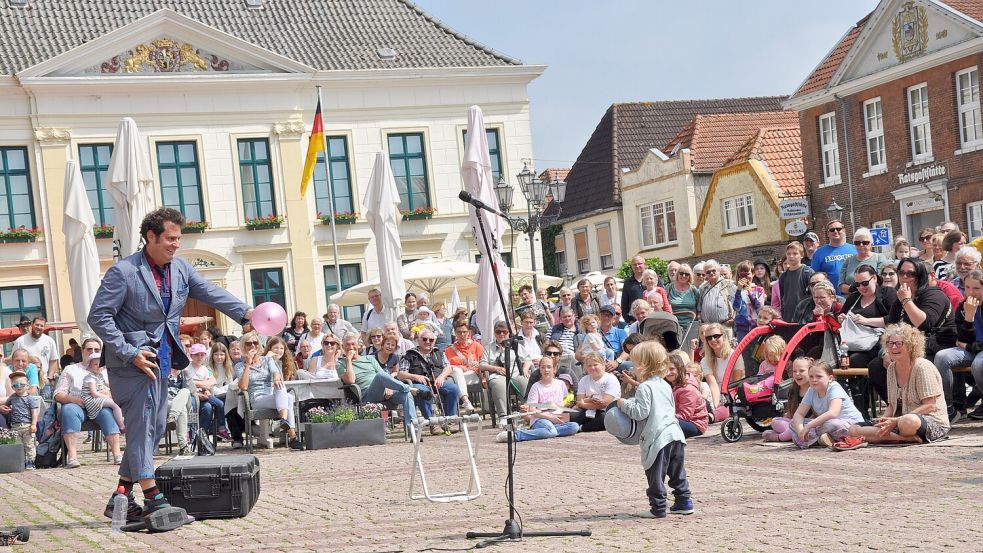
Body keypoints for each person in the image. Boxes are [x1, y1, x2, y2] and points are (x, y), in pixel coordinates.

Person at [88, 207, 252, 525]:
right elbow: (99, 316)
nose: (176, 244)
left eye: (179, 238)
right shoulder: (123, 272)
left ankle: (120, 496)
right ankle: (153, 499)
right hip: (132, 364)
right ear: (151, 236)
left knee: (153, 426)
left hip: (162, 361)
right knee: (142, 427)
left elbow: (210, 292)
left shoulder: (180, 269)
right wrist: (128, 350)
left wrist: (244, 313)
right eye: (170, 238)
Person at [868, 258, 957, 417]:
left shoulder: (934, 295)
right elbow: (891, 329)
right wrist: (887, 353)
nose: (905, 277)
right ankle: (898, 411)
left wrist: (907, 300)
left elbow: (924, 324)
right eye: (902, 273)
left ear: (921, 275)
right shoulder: (899, 298)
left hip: (937, 345)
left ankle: (939, 410)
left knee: (914, 362)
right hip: (907, 347)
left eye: (911, 274)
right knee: (877, 365)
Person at [841, 324, 950, 449]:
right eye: (890, 343)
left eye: (899, 343)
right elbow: (892, 405)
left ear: (910, 346)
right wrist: (884, 421)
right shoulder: (891, 368)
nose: (893, 347)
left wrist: (896, 421)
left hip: (929, 422)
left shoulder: (922, 367)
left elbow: (930, 405)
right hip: (899, 421)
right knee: (853, 429)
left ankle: (886, 438)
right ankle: (905, 439)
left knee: (908, 421)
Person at [616, 341, 693, 519]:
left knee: (655, 474)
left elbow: (640, 412)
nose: (633, 367)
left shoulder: (644, 387)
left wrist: (624, 404)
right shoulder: (665, 384)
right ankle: (684, 502)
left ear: (643, 365)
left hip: (658, 438)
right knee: (677, 471)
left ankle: (657, 507)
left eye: (635, 363)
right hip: (675, 434)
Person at [338, 332, 424, 432]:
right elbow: (350, 380)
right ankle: (410, 388)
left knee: (407, 395)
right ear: (343, 347)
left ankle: (413, 429)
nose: (351, 347)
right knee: (380, 377)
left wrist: (389, 388)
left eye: (353, 344)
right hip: (368, 395)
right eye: (347, 345)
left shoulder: (369, 358)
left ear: (358, 345)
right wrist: (348, 360)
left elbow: (384, 376)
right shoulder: (340, 363)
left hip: (385, 391)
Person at [934, 270, 983, 419]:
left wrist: (969, 347)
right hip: (972, 349)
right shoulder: (963, 306)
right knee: (942, 357)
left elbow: (965, 344)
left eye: (976, 288)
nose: (970, 292)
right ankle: (948, 408)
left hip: (976, 350)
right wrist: (969, 318)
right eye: (967, 287)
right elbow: (961, 338)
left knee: (978, 364)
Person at [498, 354, 579, 443]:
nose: (546, 370)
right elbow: (532, 410)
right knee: (552, 431)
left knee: (574, 426)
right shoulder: (536, 387)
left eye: (549, 367)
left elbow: (561, 402)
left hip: (557, 419)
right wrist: (550, 417)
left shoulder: (561, 384)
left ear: (554, 369)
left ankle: (544, 432)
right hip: (540, 419)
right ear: (539, 369)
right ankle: (517, 435)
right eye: (543, 367)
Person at [790, 361, 866, 448]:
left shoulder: (834, 387)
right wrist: (801, 431)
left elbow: (833, 413)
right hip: (824, 426)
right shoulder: (811, 390)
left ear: (830, 378)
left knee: (831, 424)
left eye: (819, 376)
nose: (814, 380)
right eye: (811, 376)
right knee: (793, 423)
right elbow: (799, 414)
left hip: (849, 424)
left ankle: (815, 440)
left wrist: (809, 426)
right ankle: (821, 439)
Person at [396, 330, 459, 434]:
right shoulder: (410, 355)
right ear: (418, 340)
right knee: (422, 391)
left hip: (438, 381)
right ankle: (432, 423)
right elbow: (401, 374)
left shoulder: (439, 352)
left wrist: (442, 376)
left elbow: (449, 367)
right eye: (424, 339)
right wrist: (415, 376)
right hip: (420, 384)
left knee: (453, 389)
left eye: (431, 340)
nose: (428, 342)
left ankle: (450, 420)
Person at [838, 265, 896, 369]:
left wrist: (867, 321)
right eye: (857, 284)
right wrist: (840, 319)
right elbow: (840, 318)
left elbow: (894, 319)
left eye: (865, 283)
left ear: (874, 278)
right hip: (850, 343)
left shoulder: (887, 293)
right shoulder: (853, 297)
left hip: (876, 344)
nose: (861, 287)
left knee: (853, 361)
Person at [480, 321, 531, 418]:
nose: (501, 334)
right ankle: (503, 416)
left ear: (508, 332)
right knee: (498, 385)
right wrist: (495, 368)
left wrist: (525, 369)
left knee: (526, 382)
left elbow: (528, 359)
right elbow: (482, 364)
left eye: (504, 332)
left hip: (516, 373)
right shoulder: (489, 348)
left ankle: (529, 412)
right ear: (495, 333)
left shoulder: (516, 345)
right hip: (498, 375)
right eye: (498, 332)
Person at [700, 322, 743, 422]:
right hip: (716, 396)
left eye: (716, 336)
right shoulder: (705, 361)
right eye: (709, 338)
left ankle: (712, 416)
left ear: (724, 336)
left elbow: (737, 382)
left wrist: (726, 402)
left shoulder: (735, 355)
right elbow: (713, 384)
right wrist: (716, 404)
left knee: (726, 407)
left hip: (733, 394)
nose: (713, 340)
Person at [762, 356, 812, 442]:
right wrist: (784, 419)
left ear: (810, 372)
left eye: (801, 371)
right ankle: (788, 433)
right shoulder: (793, 390)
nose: (797, 374)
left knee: (792, 427)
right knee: (775, 421)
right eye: (794, 371)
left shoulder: (813, 390)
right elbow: (790, 413)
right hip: (794, 422)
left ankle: (779, 437)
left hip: (808, 423)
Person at [572, 353, 621, 432]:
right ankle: (579, 426)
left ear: (602, 365)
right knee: (571, 415)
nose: (592, 368)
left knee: (605, 418)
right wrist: (587, 402)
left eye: (595, 365)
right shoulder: (584, 380)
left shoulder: (611, 379)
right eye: (589, 366)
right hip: (588, 409)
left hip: (606, 410)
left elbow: (605, 403)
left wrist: (585, 402)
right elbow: (579, 401)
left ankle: (581, 428)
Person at [188, 344, 228, 439]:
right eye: (197, 355)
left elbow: (212, 382)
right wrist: (204, 384)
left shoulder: (205, 368)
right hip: (193, 395)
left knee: (216, 405)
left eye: (202, 355)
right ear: (191, 356)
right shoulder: (187, 368)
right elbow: (187, 383)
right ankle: (193, 434)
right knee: (201, 407)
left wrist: (201, 386)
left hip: (205, 394)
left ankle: (205, 434)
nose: (199, 357)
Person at [664, 351, 708, 438]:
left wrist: (664, 416)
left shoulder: (687, 389)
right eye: (666, 370)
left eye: (672, 369)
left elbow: (685, 415)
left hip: (695, 425)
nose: (668, 373)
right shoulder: (674, 385)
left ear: (680, 369)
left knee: (663, 423)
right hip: (681, 420)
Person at [4, 370, 40, 470]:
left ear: (27, 385)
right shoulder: (12, 397)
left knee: (29, 445)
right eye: (15, 385)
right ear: (12, 387)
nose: (19, 387)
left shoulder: (30, 399)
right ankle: (20, 462)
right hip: (15, 426)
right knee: (18, 446)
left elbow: (34, 412)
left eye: (22, 384)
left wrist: (33, 424)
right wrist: (6, 409)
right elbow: (6, 405)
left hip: (27, 426)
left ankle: (30, 462)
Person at [81, 352, 125, 432]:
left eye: (100, 364)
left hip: (98, 398)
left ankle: (121, 419)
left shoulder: (100, 376)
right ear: (90, 367)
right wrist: (108, 396)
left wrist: (115, 391)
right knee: (114, 403)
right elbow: (94, 393)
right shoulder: (90, 378)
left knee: (119, 400)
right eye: (95, 364)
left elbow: (109, 386)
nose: (98, 366)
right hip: (91, 400)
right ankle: (121, 426)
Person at [838, 228, 890, 294]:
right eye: (857, 243)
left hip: (874, 297)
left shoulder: (879, 258)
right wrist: (852, 288)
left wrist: (862, 288)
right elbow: (841, 285)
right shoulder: (848, 261)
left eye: (865, 242)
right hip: (852, 299)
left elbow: (881, 280)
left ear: (871, 243)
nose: (861, 245)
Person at [13, 316, 59, 389]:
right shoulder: (20, 341)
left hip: (44, 382)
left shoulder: (49, 341)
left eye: (41, 326)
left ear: (44, 327)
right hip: (25, 382)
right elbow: (14, 360)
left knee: (45, 401)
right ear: (32, 325)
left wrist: (49, 378)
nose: (39, 327)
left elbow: (53, 360)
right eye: (37, 325)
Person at [811, 220, 857, 291]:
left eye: (838, 229)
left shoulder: (855, 249)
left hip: (854, 293)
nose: (835, 231)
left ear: (844, 230)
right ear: (828, 233)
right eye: (832, 230)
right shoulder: (819, 253)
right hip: (831, 295)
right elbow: (814, 276)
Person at [732, 260, 765, 341]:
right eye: (742, 274)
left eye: (747, 273)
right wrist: (739, 290)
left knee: (756, 352)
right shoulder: (735, 290)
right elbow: (736, 308)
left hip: (756, 325)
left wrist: (750, 294)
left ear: (753, 274)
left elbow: (760, 309)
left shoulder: (759, 289)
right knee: (744, 352)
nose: (745, 277)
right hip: (742, 327)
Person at [697, 260, 735, 329]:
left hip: (725, 326)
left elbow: (737, 305)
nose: (711, 273)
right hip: (708, 328)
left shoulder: (729, 285)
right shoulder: (702, 288)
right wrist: (700, 321)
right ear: (705, 274)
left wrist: (734, 319)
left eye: (713, 270)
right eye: (708, 272)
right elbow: (699, 309)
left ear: (718, 270)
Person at [667, 264, 700, 330]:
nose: (684, 276)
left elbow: (699, 307)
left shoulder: (693, 289)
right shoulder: (669, 288)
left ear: (690, 276)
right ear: (677, 274)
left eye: (687, 274)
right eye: (681, 273)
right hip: (673, 325)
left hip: (691, 325)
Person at [621, 255, 649, 324]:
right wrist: (628, 320)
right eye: (634, 264)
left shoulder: (652, 279)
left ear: (645, 265)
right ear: (632, 267)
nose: (637, 266)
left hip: (651, 319)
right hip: (635, 321)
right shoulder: (627, 283)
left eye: (639, 264)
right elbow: (624, 304)